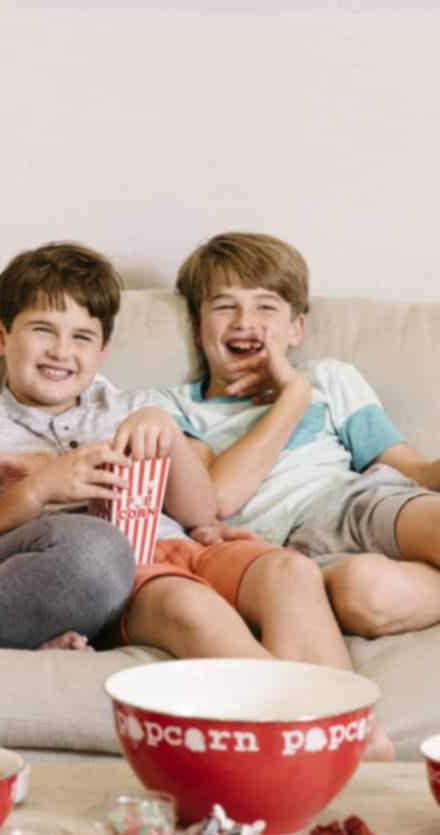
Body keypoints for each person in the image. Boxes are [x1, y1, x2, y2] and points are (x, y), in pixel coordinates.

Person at [0, 244, 387, 701]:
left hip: (183, 544)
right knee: (188, 603)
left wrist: (171, 440)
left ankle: (354, 722)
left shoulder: (136, 406)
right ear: (0, 336)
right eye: (42, 330)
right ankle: (308, 715)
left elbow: (201, 511)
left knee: (289, 571)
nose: (61, 351)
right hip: (126, 576)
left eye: (81, 337)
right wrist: (38, 491)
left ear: (103, 351)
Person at [168, 230, 440, 645]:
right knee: (365, 593)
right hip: (294, 553)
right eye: (225, 307)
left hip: (360, 502)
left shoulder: (330, 377)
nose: (245, 321)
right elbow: (217, 499)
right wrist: (293, 398)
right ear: (197, 330)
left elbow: (406, 466)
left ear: (295, 329)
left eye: (266, 306)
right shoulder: (178, 409)